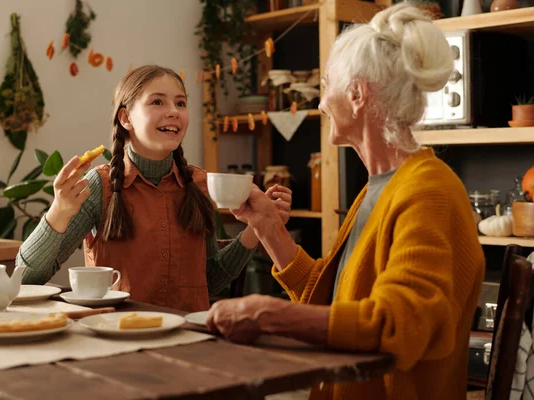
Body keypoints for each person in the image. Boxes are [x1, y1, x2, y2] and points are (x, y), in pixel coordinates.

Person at [206, 4, 485, 399]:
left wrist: (270, 314)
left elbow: (398, 324)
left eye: (326, 86)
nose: (320, 104)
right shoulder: (384, 185)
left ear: (356, 94)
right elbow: (334, 303)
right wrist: (267, 226)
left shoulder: (428, 193)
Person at [18, 65, 293, 312]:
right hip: (116, 341)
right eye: (157, 101)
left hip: (188, 341)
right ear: (126, 118)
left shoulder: (199, 185)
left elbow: (209, 280)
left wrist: (256, 227)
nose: (173, 111)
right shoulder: (98, 187)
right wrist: (59, 211)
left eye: (181, 103)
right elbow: (26, 279)